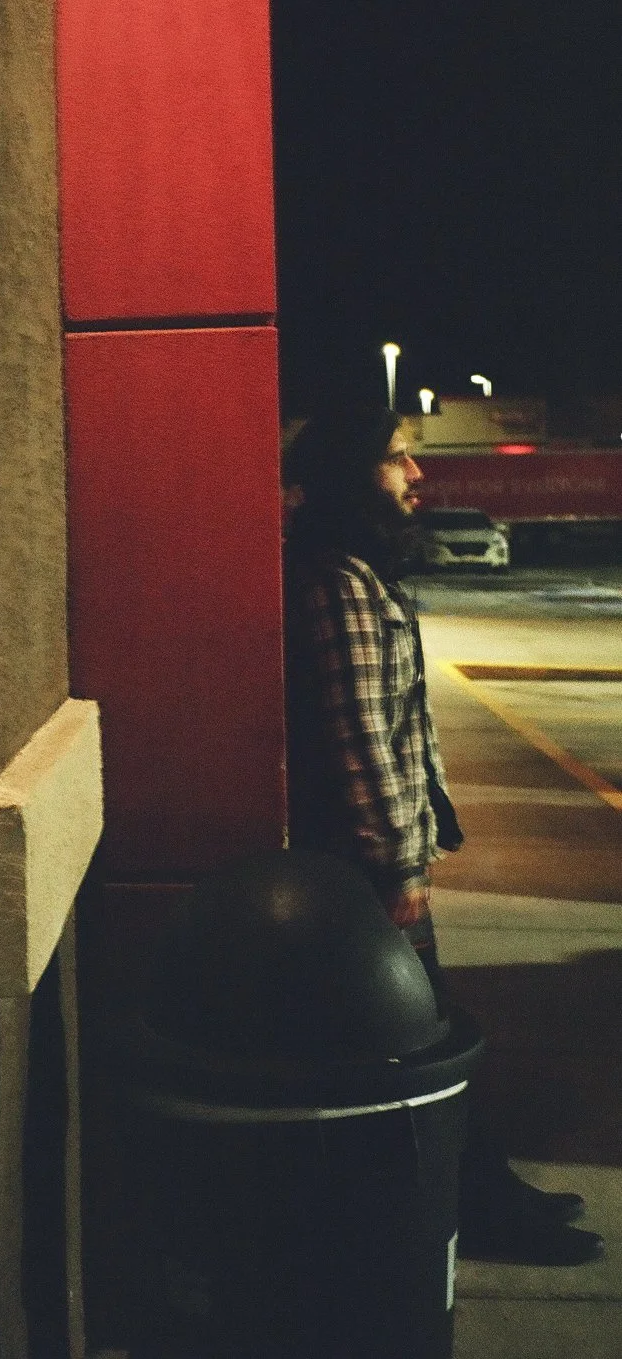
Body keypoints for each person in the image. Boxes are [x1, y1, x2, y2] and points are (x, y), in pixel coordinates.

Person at [282, 400, 604, 1266]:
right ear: (357, 474)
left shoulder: (357, 571)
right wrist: (397, 863)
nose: (416, 474)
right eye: (397, 458)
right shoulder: (339, 583)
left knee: (424, 1035)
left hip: (375, 860)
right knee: (422, 1042)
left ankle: (480, 1193)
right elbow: (359, 736)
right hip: (364, 866)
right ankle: (475, 1209)